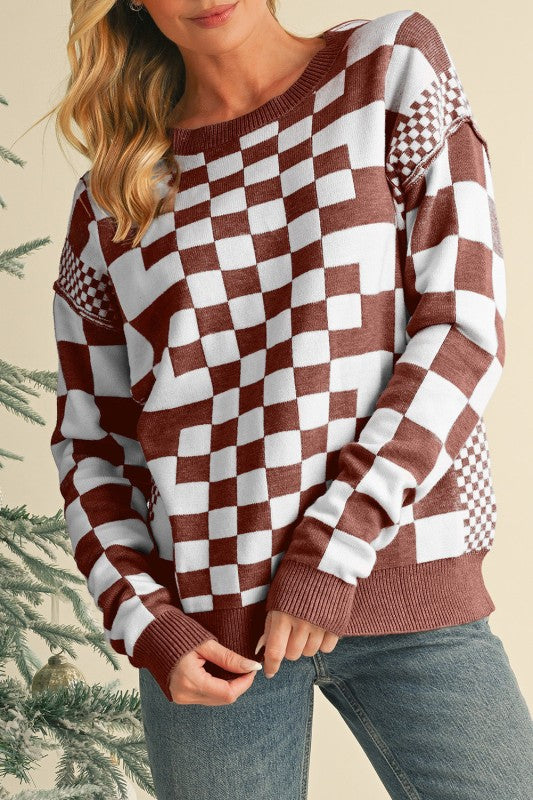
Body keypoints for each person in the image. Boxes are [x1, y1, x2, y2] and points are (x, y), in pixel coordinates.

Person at [48, 1, 533, 798]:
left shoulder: (387, 67)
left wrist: (331, 549)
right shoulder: (110, 197)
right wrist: (147, 620)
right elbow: (92, 442)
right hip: (209, 635)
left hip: (402, 574)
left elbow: (462, 326)